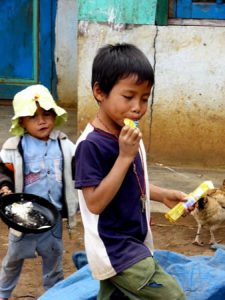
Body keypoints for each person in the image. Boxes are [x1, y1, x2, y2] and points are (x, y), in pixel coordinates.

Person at [74, 43, 187, 300]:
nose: (138, 107)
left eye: (145, 98)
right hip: (117, 248)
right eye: (128, 97)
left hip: (135, 240)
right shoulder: (91, 145)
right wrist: (125, 156)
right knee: (173, 296)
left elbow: (129, 182)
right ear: (100, 92)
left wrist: (160, 195)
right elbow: (94, 203)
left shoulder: (126, 133)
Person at [0, 84, 78, 300]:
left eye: (47, 114)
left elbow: (80, 166)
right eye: (33, 117)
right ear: (22, 122)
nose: (42, 120)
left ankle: (53, 295)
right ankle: (2, 293)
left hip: (53, 219)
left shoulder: (65, 145)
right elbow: (3, 171)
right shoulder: (14, 148)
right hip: (23, 220)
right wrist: (4, 188)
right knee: (13, 260)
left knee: (54, 260)